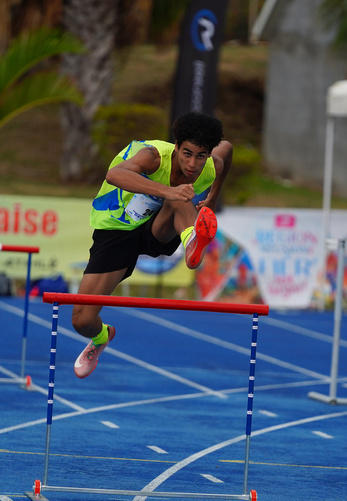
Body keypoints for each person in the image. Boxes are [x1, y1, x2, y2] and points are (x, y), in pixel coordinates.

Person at [71, 112, 233, 378]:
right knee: (82, 319)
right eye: (187, 153)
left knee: (180, 200)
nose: (192, 164)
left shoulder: (211, 165)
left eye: (200, 156)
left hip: (160, 224)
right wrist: (169, 190)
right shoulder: (154, 156)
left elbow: (226, 151)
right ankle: (102, 337)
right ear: (177, 146)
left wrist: (213, 198)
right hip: (117, 228)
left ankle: (192, 240)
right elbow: (114, 174)